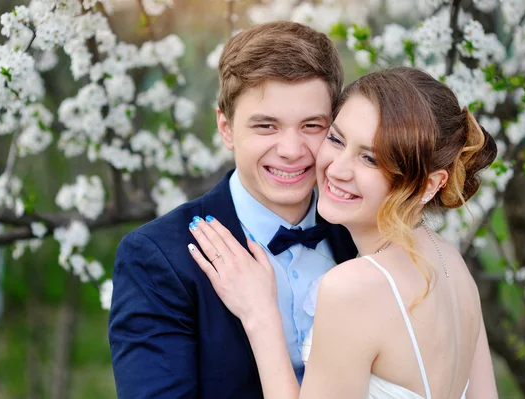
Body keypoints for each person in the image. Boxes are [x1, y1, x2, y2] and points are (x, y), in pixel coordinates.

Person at [188, 67, 500, 398]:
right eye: (336, 139)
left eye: (370, 159)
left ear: (429, 184)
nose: (336, 169)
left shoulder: (352, 288)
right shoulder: (451, 262)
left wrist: (260, 317)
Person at [108, 21, 358, 399]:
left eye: (311, 125)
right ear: (226, 128)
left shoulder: (361, 233)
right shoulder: (158, 258)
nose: (291, 149)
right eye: (266, 126)